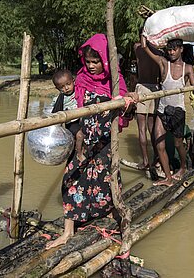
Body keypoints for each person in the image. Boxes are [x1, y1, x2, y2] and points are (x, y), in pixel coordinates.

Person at [46, 34, 137, 250]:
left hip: (105, 142)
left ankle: (112, 211)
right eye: (88, 62)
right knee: (72, 180)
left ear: (105, 60)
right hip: (83, 141)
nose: (91, 66)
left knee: (107, 180)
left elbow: (126, 111)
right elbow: (65, 105)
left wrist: (128, 102)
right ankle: (68, 232)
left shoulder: (116, 81)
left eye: (96, 61)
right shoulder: (81, 79)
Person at [142, 36, 194, 187]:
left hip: (178, 111)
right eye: (169, 49)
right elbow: (145, 47)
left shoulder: (188, 68)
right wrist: (145, 31)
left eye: (174, 49)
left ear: (181, 49)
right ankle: (168, 178)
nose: (171, 52)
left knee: (179, 144)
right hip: (162, 111)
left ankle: (183, 167)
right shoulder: (163, 63)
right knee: (159, 145)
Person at [133, 36, 162, 172]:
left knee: (142, 128)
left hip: (143, 87)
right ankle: (156, 158)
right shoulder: (159, 51)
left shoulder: (137, 47)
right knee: (152, 128)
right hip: (155, 88)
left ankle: (145, 161)